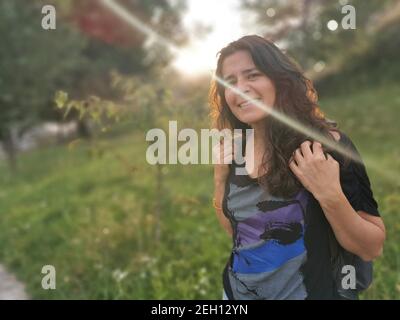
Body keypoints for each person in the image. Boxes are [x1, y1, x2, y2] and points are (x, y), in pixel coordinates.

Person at [209, 35, 386, 300]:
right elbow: (238, 235)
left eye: (252, 75)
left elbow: (371, 248)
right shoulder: (234, 150)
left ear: (279, 80)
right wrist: (220, 181)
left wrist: (330, 195)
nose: (240, 89)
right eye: (230, 82)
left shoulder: (326, 147)